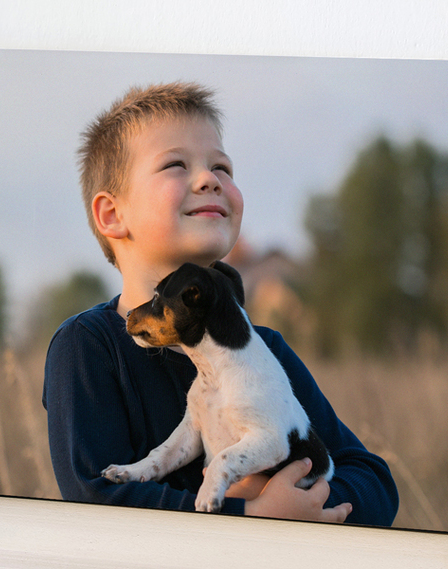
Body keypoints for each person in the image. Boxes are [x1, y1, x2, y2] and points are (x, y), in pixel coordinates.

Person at [42, 82, 398, 525]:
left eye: (223, 168)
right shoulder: (88, 348)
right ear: (112, 215)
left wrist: (306, 506)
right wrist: (244, 515)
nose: (211, 179)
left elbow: (375, 482)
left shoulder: (265, 350)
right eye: (175, 164)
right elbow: (93, 497)